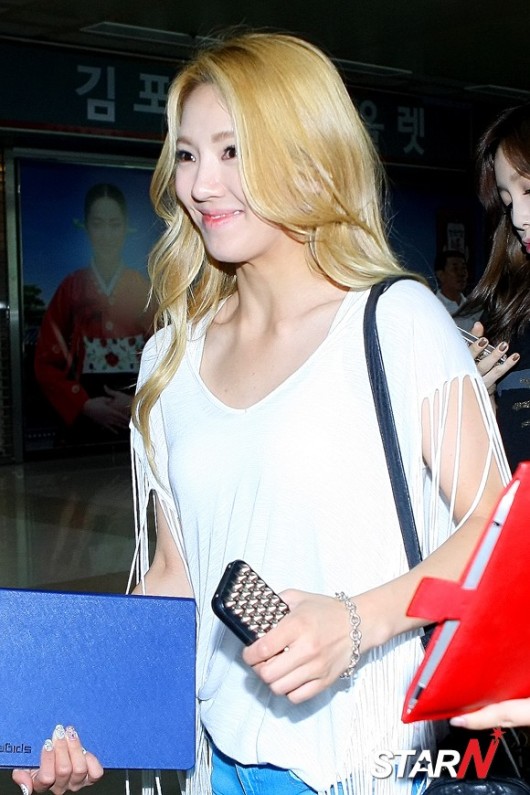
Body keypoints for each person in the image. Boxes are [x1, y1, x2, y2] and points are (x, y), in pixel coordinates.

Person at [14, 33, 512, 795]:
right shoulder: (171, 357)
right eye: (187, 155)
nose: (201, 183)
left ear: (309, 157)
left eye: (233, 151)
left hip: (363, 760)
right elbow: (177, 573)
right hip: (220, 760)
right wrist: (89, 715)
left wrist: (360, 620)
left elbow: (498, 532)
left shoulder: (394, 321)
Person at [33, 183, 155, 447]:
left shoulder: (143, 289)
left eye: (115, 225)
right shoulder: (71, 288)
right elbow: (46, 362)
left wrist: (138, 402)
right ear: (87, 228)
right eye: (98, 224)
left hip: (135, 419)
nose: (107, 235)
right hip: (84, 421)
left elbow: (167, 356)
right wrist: (83, 404)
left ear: (126, 229)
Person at [462, 103, 530, 470]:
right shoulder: (509, 313)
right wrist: (484, 398)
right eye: (507, 201)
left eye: (528, 191)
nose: (518, 217)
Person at [434, 249, 481, 331]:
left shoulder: (473, 308)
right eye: (455, 269)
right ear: (441, 275)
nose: (461, 274)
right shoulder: (434, 306)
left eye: (464, 268)